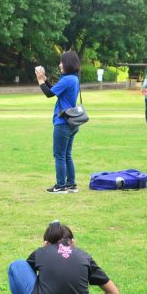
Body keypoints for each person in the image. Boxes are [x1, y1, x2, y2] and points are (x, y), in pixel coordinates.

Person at [36, 50, 81, 194]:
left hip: (62, 122)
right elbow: (55, 90)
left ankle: (61, 186)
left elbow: (49, 94)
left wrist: (40, 80)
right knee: (67, 154)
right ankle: (71, 184)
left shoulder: (67, 80)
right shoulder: (73, 78)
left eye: (62, 62)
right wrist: (45, 79)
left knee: (59, 155)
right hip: (72, 122)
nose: (60, 64)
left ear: (67, 63)